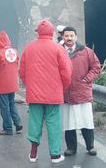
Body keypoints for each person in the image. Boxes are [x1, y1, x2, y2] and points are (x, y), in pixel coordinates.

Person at [19, 20, 72, 164]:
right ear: (52, 32)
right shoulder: (58, 49)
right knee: (53, 123)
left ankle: (33, 153)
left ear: (38, 32)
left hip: (34, 94)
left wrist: (29, 84)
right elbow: (67, 73)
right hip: (54, 94)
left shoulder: (28, 48)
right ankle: (55, 155)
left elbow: (22, 71)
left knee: (35, 122)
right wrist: (62, 87)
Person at [61, 26, 102, 157]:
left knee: (86, 121)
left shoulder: (87, 51)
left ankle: (90, 146)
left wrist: (86, 80)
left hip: (82, 91)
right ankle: (71, 148)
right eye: (66, 36)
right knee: (68, 123)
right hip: (66, 93)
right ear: (63, 37)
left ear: (75, 37)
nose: (69, 38)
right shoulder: (59, 51)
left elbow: (96, 67)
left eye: (71, 36)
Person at [0, 31, 23, 135]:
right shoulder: (15, 52)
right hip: (13, 84)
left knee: (4, 107)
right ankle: (18, 123)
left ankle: (7, 128)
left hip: (2, 85)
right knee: (12, 104)